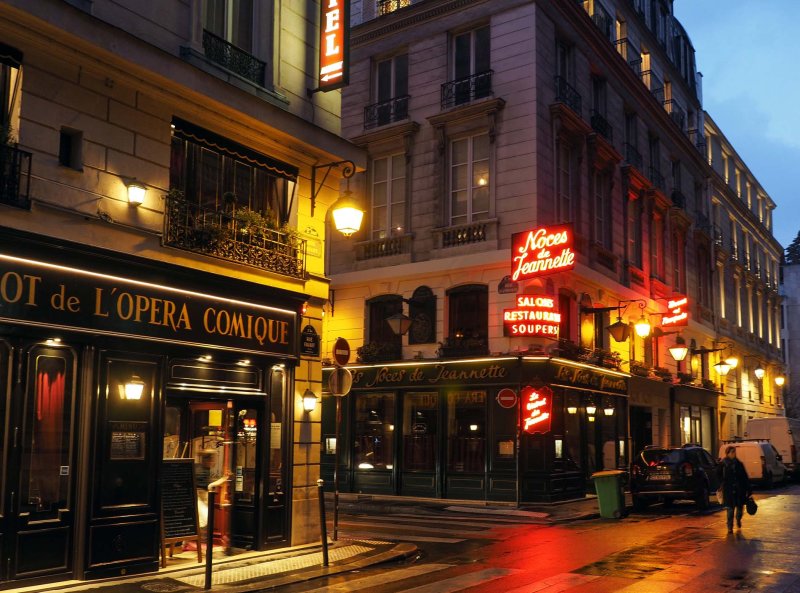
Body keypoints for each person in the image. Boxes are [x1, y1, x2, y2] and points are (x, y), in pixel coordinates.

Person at [717, 445, 751, 533]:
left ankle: (738, 519)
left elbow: (744, 477)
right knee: (730, 509)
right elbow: (717, 475)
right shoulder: (723, 464)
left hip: (739, 490)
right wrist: (721, 484)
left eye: (735, 452)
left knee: (740, 508)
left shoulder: (739, 464)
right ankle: (729, 527)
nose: (734, 454)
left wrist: (748, 488)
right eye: (732, 452)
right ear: (727, 453)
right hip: (729, 490)